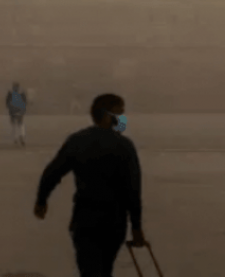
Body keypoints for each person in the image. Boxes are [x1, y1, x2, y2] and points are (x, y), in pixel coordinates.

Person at [34, 93, 146, 277]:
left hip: (85, 218)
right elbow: (133, 191)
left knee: (88, 269)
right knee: (105, 269)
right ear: (108, 116)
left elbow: (52, 172)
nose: (124, 119)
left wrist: (41, 200)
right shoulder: (125, 146)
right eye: (121, 114)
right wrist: (136, 227)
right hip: (114, 222)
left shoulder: (77, 141)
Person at [5, 82, 28, 147]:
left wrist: (9, 109)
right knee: (21, 124)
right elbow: (25, 102)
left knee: (14, 125)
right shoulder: (22, 93)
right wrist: (23, 110)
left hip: (12, 111)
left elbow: (7, 102)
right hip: (20, 111)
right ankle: (22, 136)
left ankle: (15, 137)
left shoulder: (10, 93)